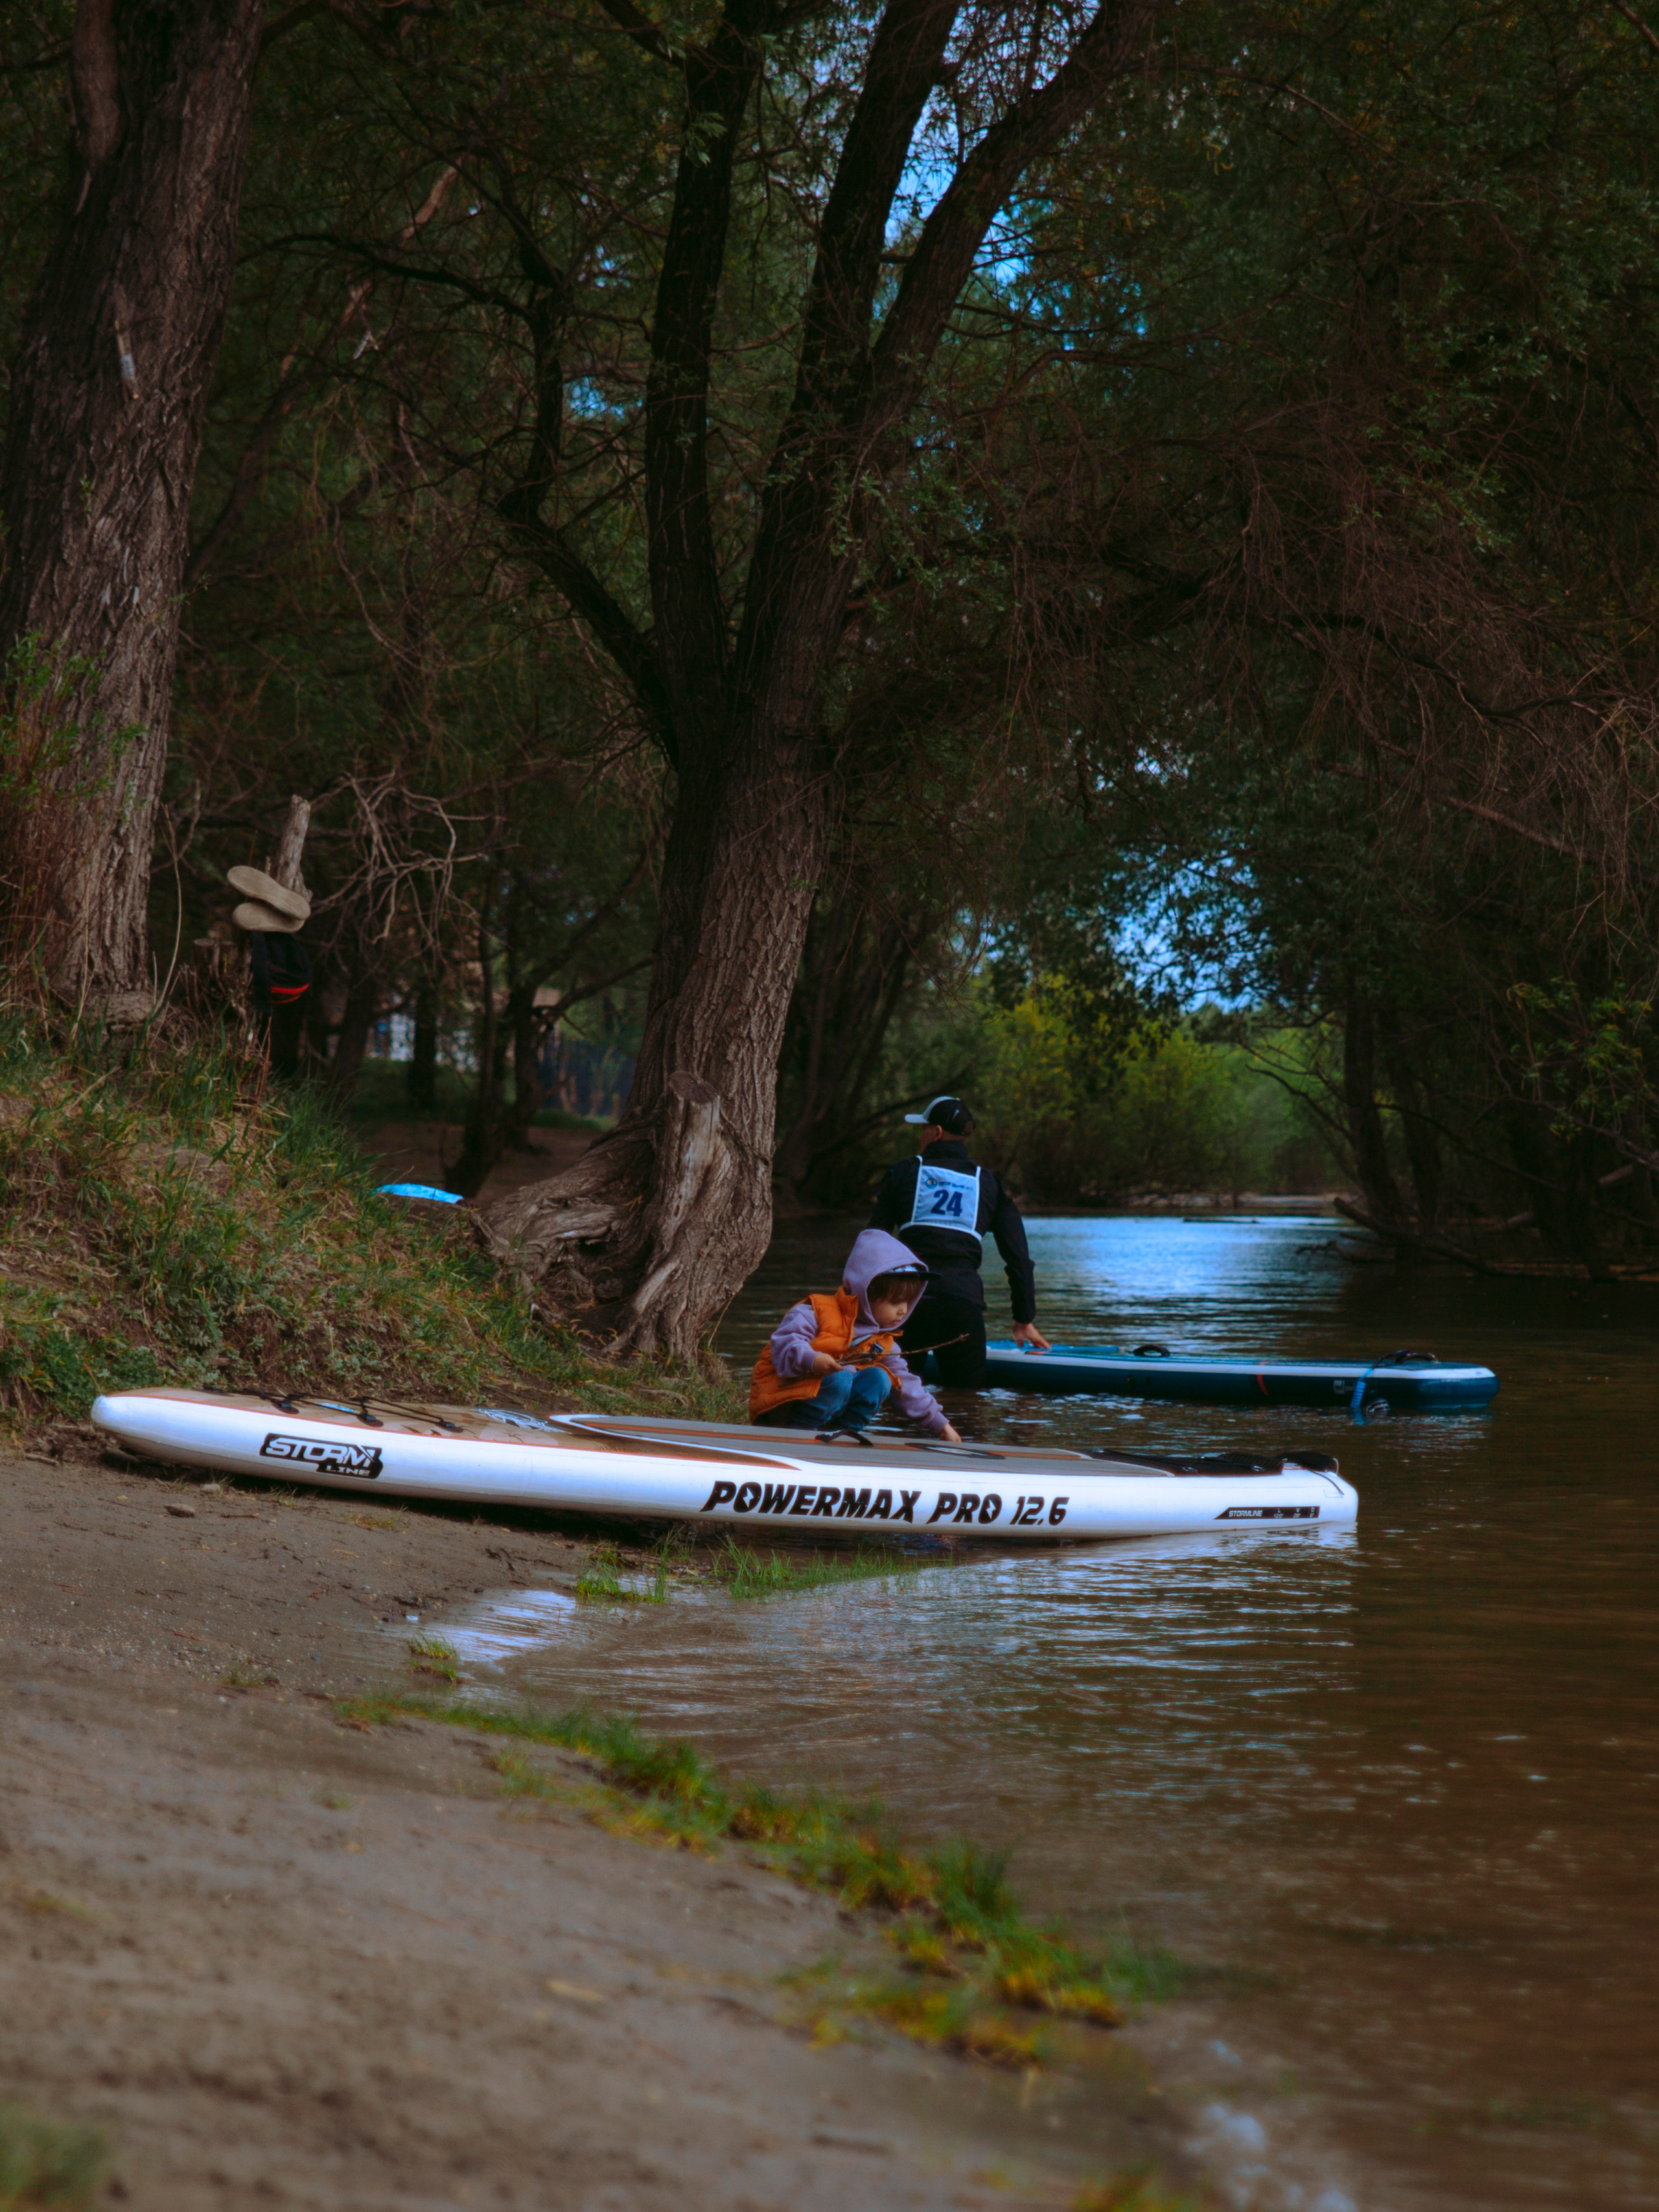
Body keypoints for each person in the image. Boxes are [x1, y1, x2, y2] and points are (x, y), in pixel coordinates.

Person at [869, 1093, 1050, 1388]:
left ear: (937, 1132)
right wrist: (1023, 1318)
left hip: (906, 1304)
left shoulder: (903, 1173)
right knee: (967, 1402)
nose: (921, 1135)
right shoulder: (988, 1183)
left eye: (923, 1128)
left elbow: (872, 1244)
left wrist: (860, 1310)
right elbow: (1018, 1259)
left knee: (896, 1397)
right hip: (962, 1305)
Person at [750, 1228, 962, 1441]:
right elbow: (784, 1344)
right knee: (839, 1378)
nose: (903, 1310)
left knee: (880, 1379)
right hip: (783, 1410)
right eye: (895, 1301)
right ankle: (800, 1433)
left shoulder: (884, 1343)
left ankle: (843, 1433)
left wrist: (940, 1425)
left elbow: (905, 1387)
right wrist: (813, 1359)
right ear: (866, 1291)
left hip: (828, 1413)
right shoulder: (815, 1312)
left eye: (908, 1301)